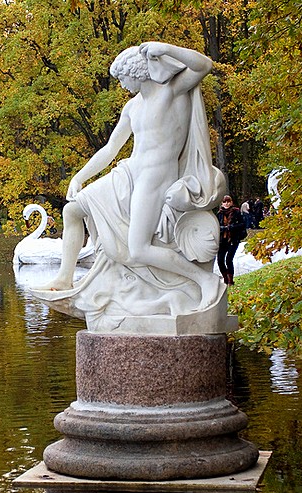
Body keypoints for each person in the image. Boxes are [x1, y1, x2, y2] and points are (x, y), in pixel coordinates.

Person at [35, 42, 225, 315]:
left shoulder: (172, 91)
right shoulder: (132, 107)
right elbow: (111, 148)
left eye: (122, 78)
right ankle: (64, 278)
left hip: (156, 176)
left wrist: (164, 47)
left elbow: (203, 65)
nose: (121, 84)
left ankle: (204, 280)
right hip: (128, 172)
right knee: (72, 211)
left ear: (136, 72)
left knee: (139, 249)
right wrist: (80, 176)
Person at [216, 195, 245, 286]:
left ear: (231, 202)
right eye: (225, 202)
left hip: (233, 239)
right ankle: (225, 278)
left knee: (229, 259)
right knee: (220, 260)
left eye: (228, 201)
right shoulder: (219, 214)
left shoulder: (236, 212)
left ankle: (230, 281)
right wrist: (222, 228)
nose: (227, 203)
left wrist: (231, 227)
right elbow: (215, 226)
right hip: (222, 240)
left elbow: (242, 224)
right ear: (222, 203)